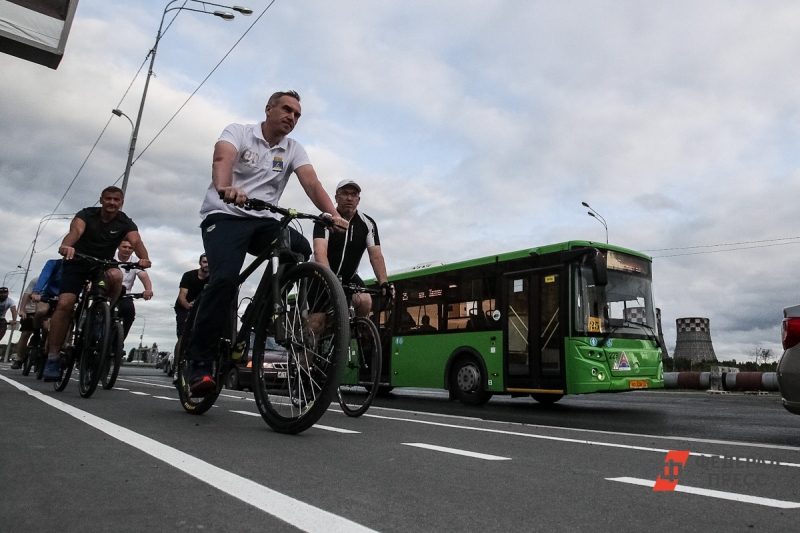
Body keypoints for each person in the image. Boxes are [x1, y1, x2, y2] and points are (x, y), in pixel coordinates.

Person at [184, 89, 347, 397]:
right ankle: (200, 363)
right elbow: (222, 157)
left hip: (262, 221)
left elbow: (312, 182)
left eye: (297, 115)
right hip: (225, 215)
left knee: (298, 247)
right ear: (269, 109)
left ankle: (266, 307)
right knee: (225, 280)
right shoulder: (239, 132)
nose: (292, 117)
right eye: (287, 109)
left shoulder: (293, 148)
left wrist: (332, 214)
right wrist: (224, 186)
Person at [43, 186, 151, 382]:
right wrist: (67, 245)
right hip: (77, 262)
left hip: (101, 265)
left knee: (116, 276)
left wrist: (144, 258)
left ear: (121, 203)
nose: (111, 203)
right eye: (108, 199)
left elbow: (136, 241)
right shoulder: (86, 214)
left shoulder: (125, 222)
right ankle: (53, 357)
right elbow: (75, 231)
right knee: (66, 304)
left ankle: (105, 314)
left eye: (116, 200)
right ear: (101, 199)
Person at [313, 179, 391, 317]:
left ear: (358, 199)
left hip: (349, 276)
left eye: (354, 194)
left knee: (365, 301)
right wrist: (330, 281)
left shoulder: (367, 223)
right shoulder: (326, 219)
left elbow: (376, 256)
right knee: (316, 323)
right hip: (320, 274)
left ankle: (359, 334)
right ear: (336, 197)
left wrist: (384, 283)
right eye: (344, 193)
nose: (349, 198)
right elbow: (320, 254)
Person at [115, 239, 154, 340]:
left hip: (124, 295)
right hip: (107, 293)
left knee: (130, 313)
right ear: (119, 247)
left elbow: (144, 276)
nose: (127, 250)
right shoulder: (111, 257)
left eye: (130, 248)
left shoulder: (135, 261)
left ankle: (119, 341)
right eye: (124, 247)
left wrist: (148, 289)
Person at [174, 254, 209, 339]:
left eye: (210, 262)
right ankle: (181, 349)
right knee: (183, 335)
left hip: (202, 307)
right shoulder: (189, 276)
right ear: (200, 263)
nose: (207, 265)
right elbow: (182, 296)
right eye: (204, 262)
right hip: (184, 307)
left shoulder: (214, 278)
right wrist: (188, 305)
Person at [10, 276, 39, 369]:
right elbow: (26, 295)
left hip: (46, 313)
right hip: (30, 311)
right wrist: (22, 310)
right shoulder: (36, 280)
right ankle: (19, 359)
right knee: (26, 333)